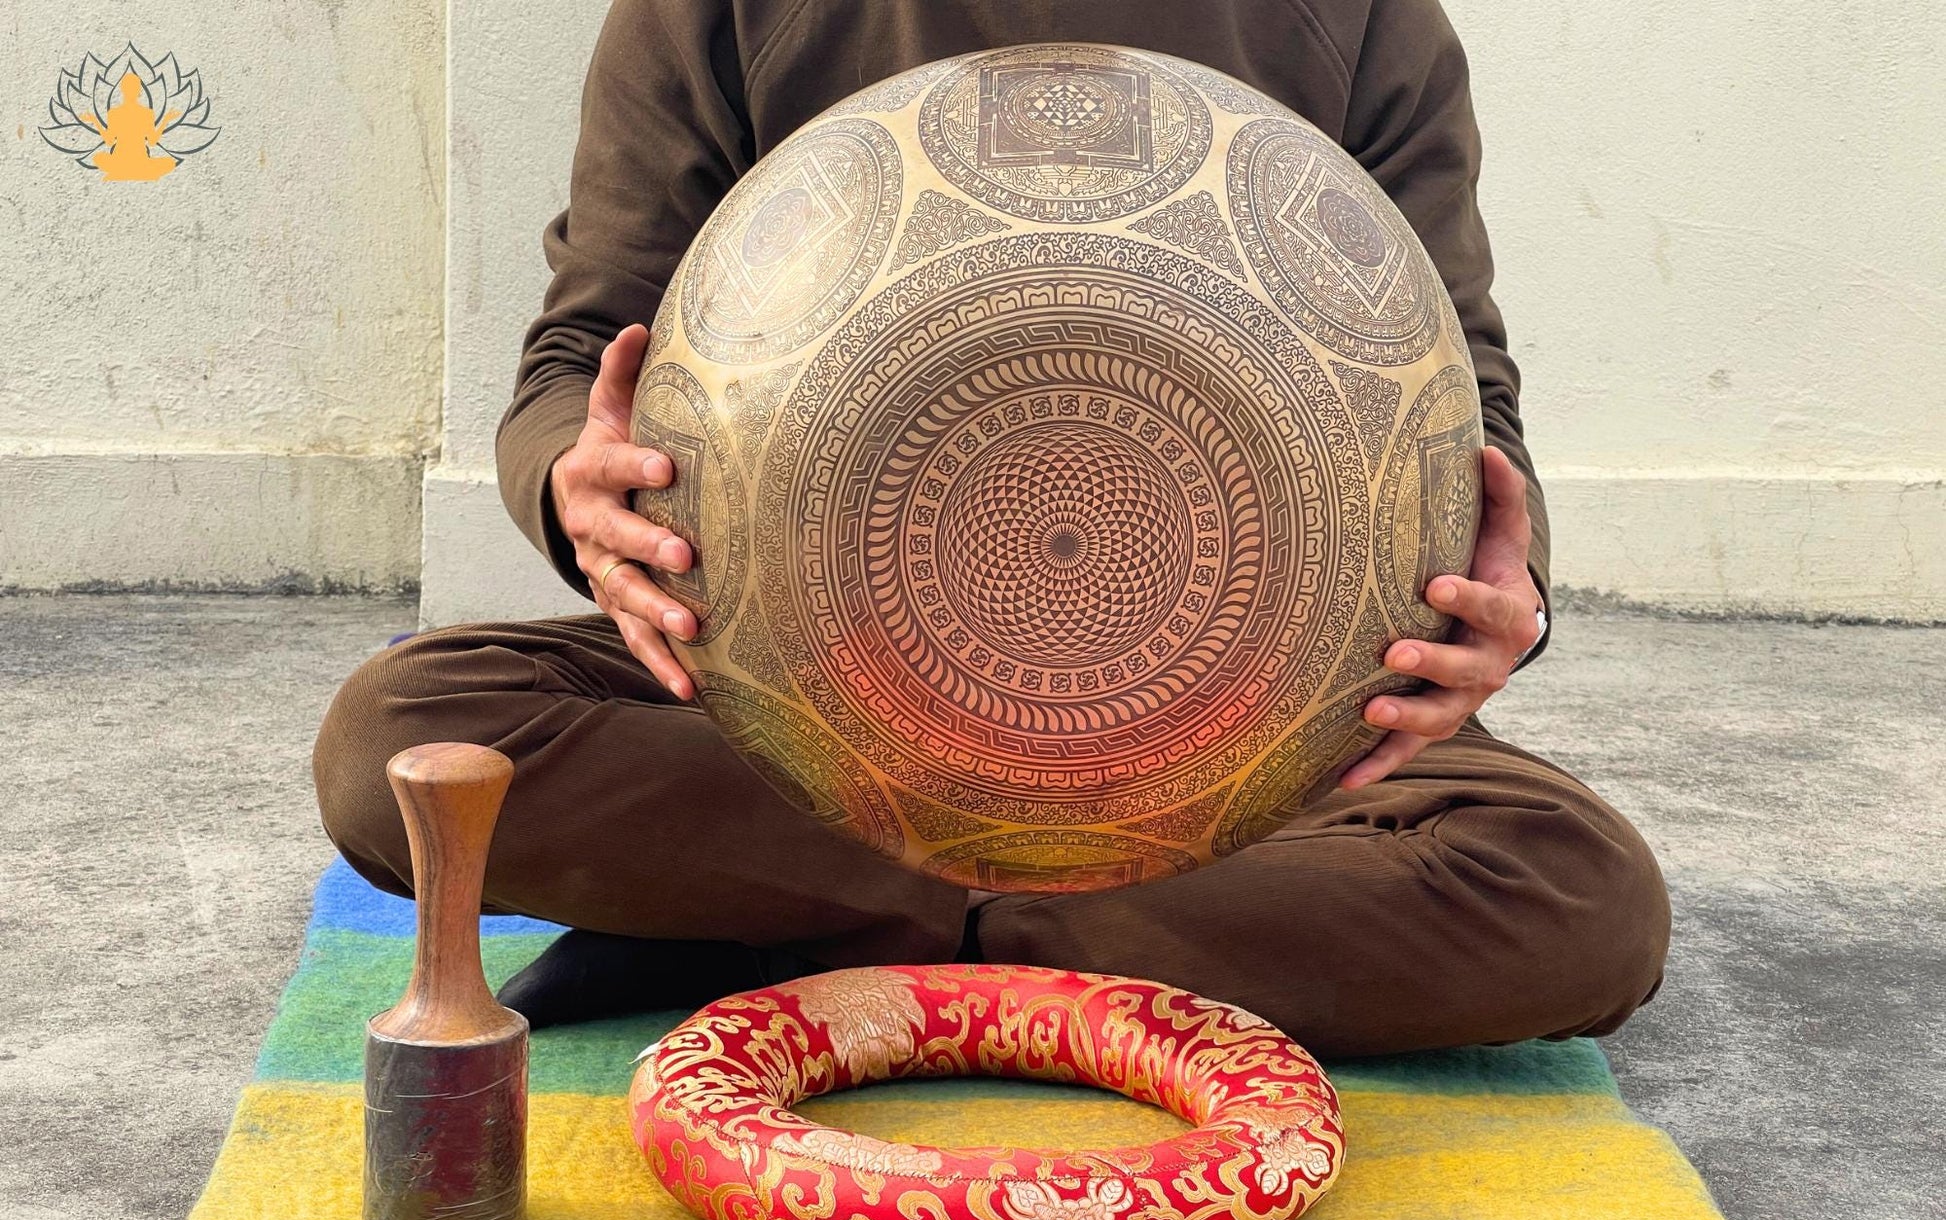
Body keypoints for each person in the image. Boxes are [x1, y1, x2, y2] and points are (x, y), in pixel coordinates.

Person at [313, 0, 1670, 1057]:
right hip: (792, 696)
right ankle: (1100, 948)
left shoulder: (1362, 15)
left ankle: (784, 922)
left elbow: (1467, 392)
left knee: (1576, 899)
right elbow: (572, 355)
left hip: (1250, 730)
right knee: (403, 738)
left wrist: (1507, 577)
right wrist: (574, 477)